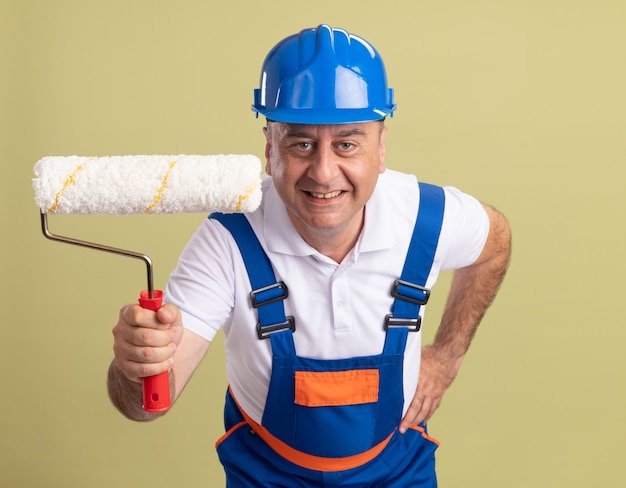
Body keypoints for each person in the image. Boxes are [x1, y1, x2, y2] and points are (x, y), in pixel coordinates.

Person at [107, 24, 511, 487]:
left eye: (347, 143)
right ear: (268, 148)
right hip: (267, 470)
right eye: (301, 143)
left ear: (380, 149)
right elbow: (144, 408)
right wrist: (136, 367)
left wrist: (448, 355)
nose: (323, 172)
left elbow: (496, 242)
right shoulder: (228, 240)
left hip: (397, 468)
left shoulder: (427, 219)